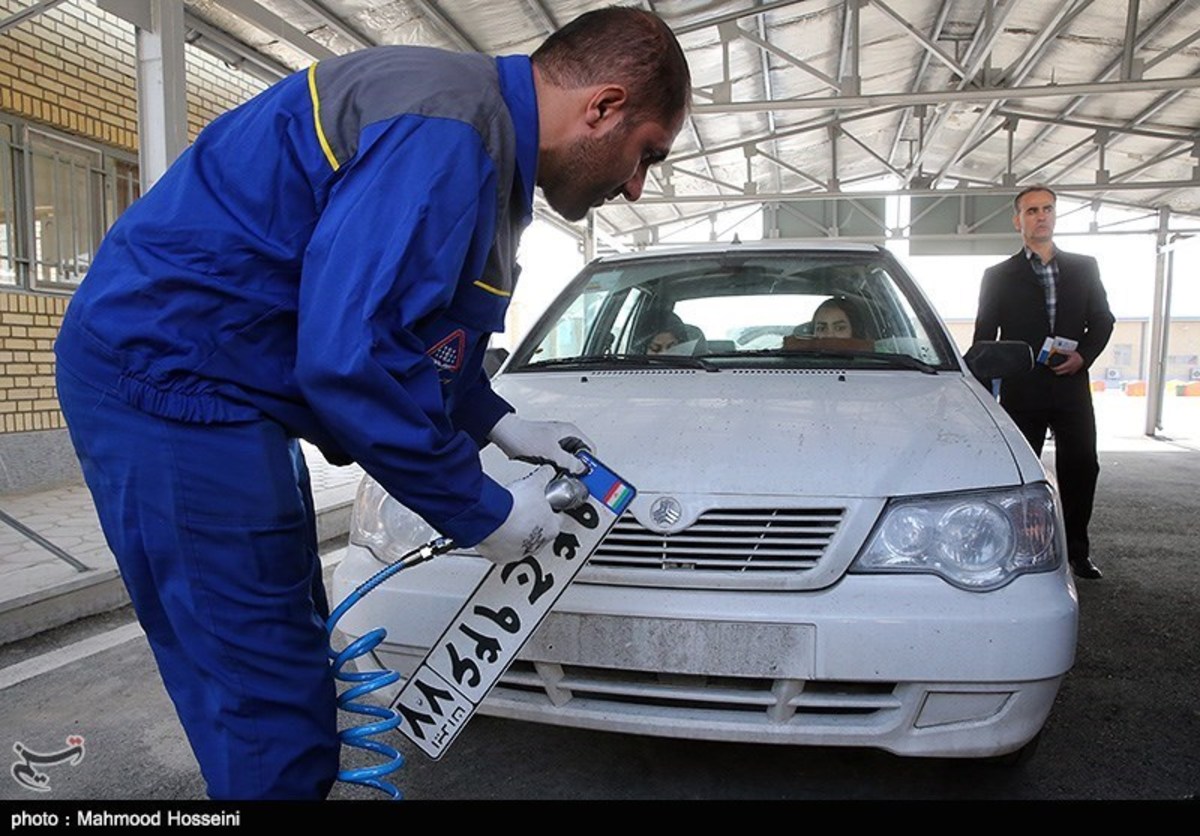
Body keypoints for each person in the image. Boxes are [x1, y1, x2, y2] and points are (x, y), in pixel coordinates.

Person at [53, 7, 690, 800]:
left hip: (226, 382)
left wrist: (497, 422)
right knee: (265, 688)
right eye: (646, 155)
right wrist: (480, 509)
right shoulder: (444, 132)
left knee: (280, 653)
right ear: (603, 105)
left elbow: (412, 337)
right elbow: (347, 361)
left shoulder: (482, 142)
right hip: (169, 383)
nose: (635, 185)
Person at [972, 185, 1114, 581]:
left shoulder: (1085, 267)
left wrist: (1082, 356)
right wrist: (980, 393)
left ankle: (1078, 552)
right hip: (1023, 388)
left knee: (1082, 466)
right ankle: (1018, 547)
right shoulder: (998, 276)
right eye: (1032, 210)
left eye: (1047, 209)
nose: (1041, 216)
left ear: (1055, 216)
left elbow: (1103, 320)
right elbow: (986, 335)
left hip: (1071, 387)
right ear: (1018, 220)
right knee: (1018, 474)